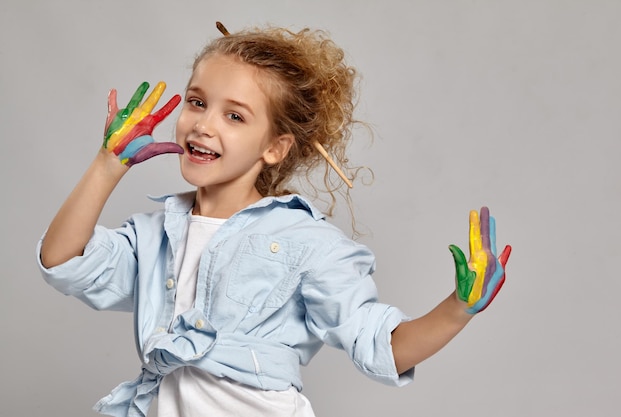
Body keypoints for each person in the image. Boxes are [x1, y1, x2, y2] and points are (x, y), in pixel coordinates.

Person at [37, 23, 511, 417]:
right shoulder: (155, 235)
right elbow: (63, 261)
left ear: (275, 147)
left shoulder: (304, 241)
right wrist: (107, 165)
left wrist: (458, 307)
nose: (204, 124)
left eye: (235, 116)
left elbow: (380, 344)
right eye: (197, 102)